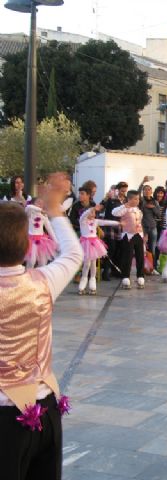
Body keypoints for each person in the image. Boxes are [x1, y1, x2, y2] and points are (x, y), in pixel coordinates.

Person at [0, 172, 82, 480]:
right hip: (45, 410)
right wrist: (55, 210)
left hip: (5, 419)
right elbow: (74, 253)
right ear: (26, 249)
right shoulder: (43, 282)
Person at [77, 205, 120, 295]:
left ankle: (93, 280)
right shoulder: (83, 221)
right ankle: (84, 279)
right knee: (86, 264)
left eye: (94, 212)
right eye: (92, 212)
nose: (93, 213)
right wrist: (91, 209)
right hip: (86, 244)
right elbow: (84, 214)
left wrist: (118, 223)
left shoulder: (95, 221)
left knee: (93, 263)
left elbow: (105, 222)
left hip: (95, 244)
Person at [112, 190, 146, 290]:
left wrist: (144, 235)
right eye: (135, 199)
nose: (137, 200)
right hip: (128, 235)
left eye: (138, 199)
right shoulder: (124, 208)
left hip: (139, 234)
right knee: (127, 256)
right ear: (130, 199)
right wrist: (125, 205)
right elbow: (114, 213)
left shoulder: (138, 210)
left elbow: (140, 221)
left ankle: (140, 276)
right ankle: (126, 277)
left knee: (140, 256)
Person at [100, 182, 127, 281]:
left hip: (120, 226)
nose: (123, 192)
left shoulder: (125, 200)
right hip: (110, 226)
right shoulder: (111, 199)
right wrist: (106, 198)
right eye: (122, 190)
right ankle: (105, 271)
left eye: (125, 191)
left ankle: (115, 270)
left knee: (118, 250)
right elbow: (100, 208)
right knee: (111, 248)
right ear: (117, 190)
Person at [24, 198, 59, 269]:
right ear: (33, 204)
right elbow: (28, 207)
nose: (40, 204)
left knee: (43, 262)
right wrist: (41, 210)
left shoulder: (44, 216)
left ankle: (38, 277)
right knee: (31, 261)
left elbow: (50, 229)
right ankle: (27, 275)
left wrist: (57, 242)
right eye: (38, 202)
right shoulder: (30, 213)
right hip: (31, 240)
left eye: (42, 203)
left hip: (41, 240)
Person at [139, 179, 162, 273]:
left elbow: (159, 215)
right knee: (142, 248)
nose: (147, 191)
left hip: (153, 227)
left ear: (151, 191)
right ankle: (142, 267)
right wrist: (142, 183)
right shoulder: (141, 200)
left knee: (153, 248)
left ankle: (153, 267)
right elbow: (137, 191)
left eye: (149, 189)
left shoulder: (155, 202)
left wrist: (153, 208)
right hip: (143, 227)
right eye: (145, 189)